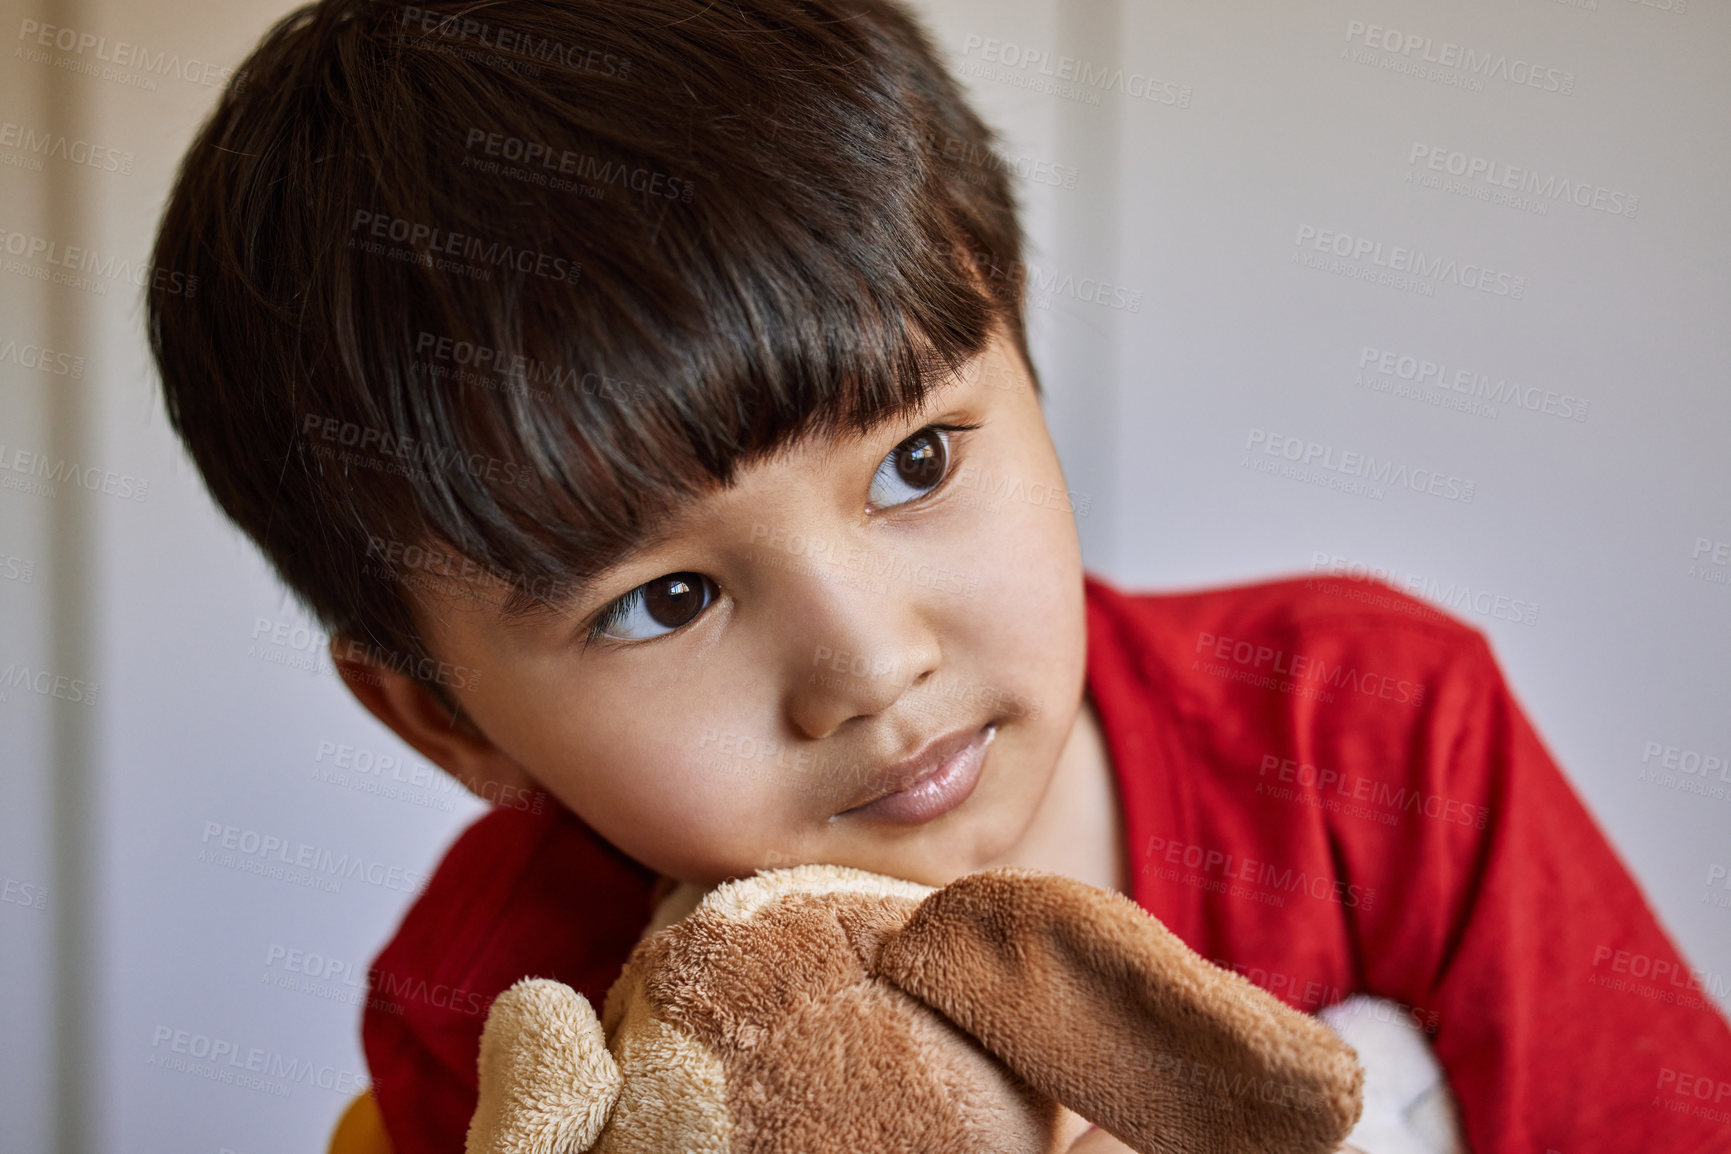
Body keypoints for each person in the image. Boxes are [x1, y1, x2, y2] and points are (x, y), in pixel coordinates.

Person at [146, 1, 1731, 1151]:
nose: (872, 662)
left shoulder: (1376, 736)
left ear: (1025, 346)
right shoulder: (494, 997)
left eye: (916, 462)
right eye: (666, 599)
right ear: (441, 718)